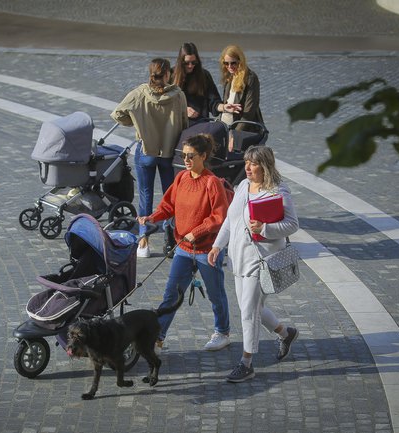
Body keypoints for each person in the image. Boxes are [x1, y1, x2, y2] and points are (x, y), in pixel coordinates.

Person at [208, 146, 299, 383]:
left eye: (253, 163)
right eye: (246, 162)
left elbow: (292, 225)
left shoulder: (278, 191)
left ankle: (246, 363)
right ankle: (285, 333)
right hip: (238, 258)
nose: (247, 168)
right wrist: (217, 245)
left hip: (261, 260)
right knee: (252, 308)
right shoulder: (242, 187)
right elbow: (230, 219)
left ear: (265, 166)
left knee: (248, 311)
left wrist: (265, 228)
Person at [138, 134, 231, 353]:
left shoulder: (212, 183)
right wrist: (153, 217)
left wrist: (194, 232)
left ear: (203, 156)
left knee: (215, 294)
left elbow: (219, 217)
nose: (186, 160)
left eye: (191, 156)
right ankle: (157, 337)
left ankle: (222, 332)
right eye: (183, 155)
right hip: (183, 249)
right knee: (171, 294)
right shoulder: (181, 178)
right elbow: (169, 206)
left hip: (207, 250)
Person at [111, 58, 189, 258]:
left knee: (145, 196)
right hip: (169, 152)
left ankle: (143, 241)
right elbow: (184, 122)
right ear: (167, 74)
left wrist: (136, 123)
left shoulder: (139, 94)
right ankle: (170, 239)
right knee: (169, 197)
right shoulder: (178, 95)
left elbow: (117, 114)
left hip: (146, 150)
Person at [215, 45, 265, 151]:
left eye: (233, 63)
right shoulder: (229, 77)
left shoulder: (251, 78)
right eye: (226, 63)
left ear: (240, 61)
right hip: (226, 125)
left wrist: (234, 136)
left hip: (243, 128)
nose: (229, 66)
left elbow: (249, 112)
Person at [172, 42, 223, 126]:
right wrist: (183, 110)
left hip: (200, 123)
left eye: (194, 62)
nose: (190, 66)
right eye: (187, 63)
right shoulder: (171, 75)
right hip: (177, 124)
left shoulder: (204, 75)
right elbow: (165, 104)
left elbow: (213, 101)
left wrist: (223, 107)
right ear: (181, 61)